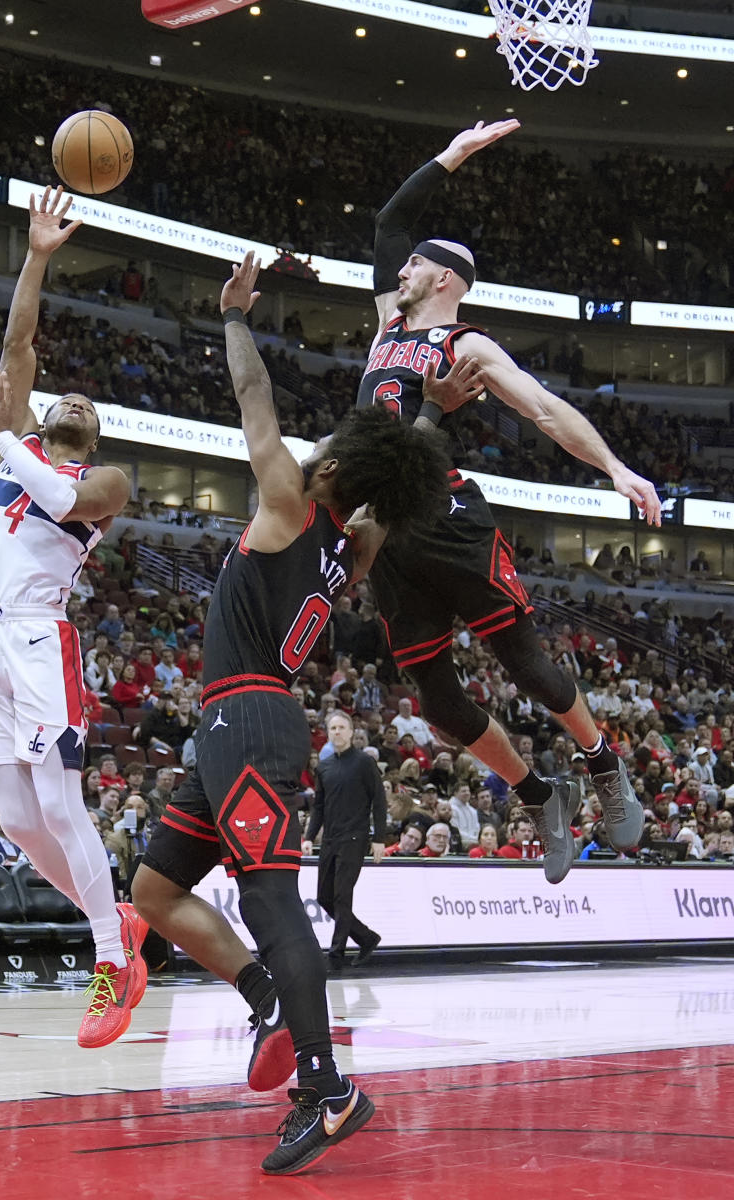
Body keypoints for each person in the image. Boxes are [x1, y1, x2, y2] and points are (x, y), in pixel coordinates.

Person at [131, 252, 452, 1176]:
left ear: (336, 467)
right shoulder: (341, 554)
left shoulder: (288, 504)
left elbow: (253, 401)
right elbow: (383, 503)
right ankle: (268, 993)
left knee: (269, 895)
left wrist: (236, 317)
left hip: (249, 719)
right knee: (154, 892)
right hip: (238, 727)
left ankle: (327, 1087)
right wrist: (423, 416)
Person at [358, 119, 654, 885]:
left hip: (443, 514)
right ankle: (536, 792)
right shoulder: (385, 325)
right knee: (437, 704)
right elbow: (390, 221)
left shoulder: (468, 346)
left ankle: (601, 762)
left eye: (417, 265)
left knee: (529, 669)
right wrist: (451, 157)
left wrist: (616, 468)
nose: (403, 267)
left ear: (446, 279)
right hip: (385, 531)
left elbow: (548, 411)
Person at [0, 186, 146, 1049]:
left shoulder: (102, 482)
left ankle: (112, 959)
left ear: (94, 431)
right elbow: (19, 343)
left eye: (85, 405)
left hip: (38, 636)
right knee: (15, 817)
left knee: (61, 802)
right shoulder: (20, 439)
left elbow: (64, 497)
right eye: (60, 398)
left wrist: (4, 440)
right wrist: (37, 253)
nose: (69, 400)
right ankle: (120, 923)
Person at [301, 711, 386, 971]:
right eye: (333, 728)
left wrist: (379, 838)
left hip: (355, 837)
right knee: (324, 897)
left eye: (341, 727)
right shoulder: (324, 767)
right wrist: (307, 836)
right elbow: (319, 807)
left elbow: (379, 800)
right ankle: (366, 937)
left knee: (341, 895)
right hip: (329, 840)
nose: (337, 732)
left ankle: (336, 954)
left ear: (351, 732)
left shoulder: (364, 762)